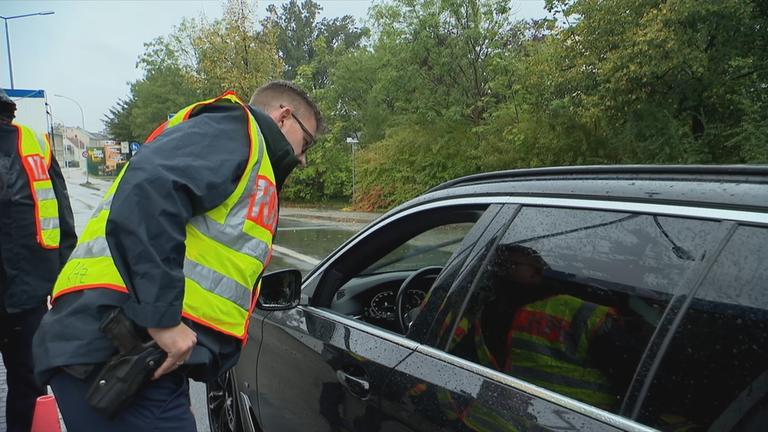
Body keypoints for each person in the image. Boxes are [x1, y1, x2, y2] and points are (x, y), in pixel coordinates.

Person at [32, 81, 323, 430]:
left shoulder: (241, 152)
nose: (302, 159)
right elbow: (148, 192)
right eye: (305, 143)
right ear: (283, 116)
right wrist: (164, 320)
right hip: (115, 350)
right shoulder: (236, 130)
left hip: (125, 352)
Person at [447, 244, 637, 412]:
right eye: (499, 265)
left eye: (512, 265)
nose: (501, 269)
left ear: (537, 271)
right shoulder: (487, 310)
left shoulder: (580, 312)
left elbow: (633, 378)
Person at [0, 89, 77, 432]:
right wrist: (65, 281)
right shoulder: (36, 146)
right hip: (29, 291)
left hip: (26, 289)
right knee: (28, 384)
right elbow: (63, 220)